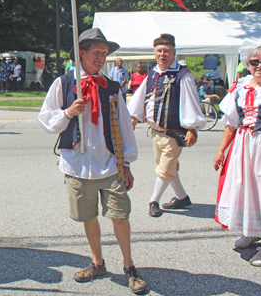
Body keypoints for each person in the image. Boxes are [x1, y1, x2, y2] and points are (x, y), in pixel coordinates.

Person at [38, 28, 148, 295]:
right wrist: (69, 112)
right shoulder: (63, 84)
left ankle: (129, 266)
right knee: (88, 216)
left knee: (120, 216)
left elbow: (124, 126)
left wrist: (127, 163)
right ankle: (98, 262)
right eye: (97, 53)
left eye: (105, 53)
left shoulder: (111, 88)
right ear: (82, 54)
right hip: (76, 165)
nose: (102, 57)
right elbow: (47, 120)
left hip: (109, 163)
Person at [128, 34, 206, 218]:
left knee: (164, 169)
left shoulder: (182, 76)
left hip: (174, 134)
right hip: (156, 132)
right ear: (155, 53)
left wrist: (192, 128)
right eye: (159, 51)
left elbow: (191, 103)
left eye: (166, 51)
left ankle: (153, 201)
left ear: (174, 53)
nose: (162, 54)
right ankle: (182, 198)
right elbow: (142, 97)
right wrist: (134, 117)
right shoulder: (153, 73)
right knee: (168, 168)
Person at [213, 42, 261, 267]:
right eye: (255, 62)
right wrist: (221, 151)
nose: (260, 66)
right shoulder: (240, 87)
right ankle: (253, 229)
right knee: (247, 189)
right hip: (244, 144)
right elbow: (231, 123)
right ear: (247, 64)